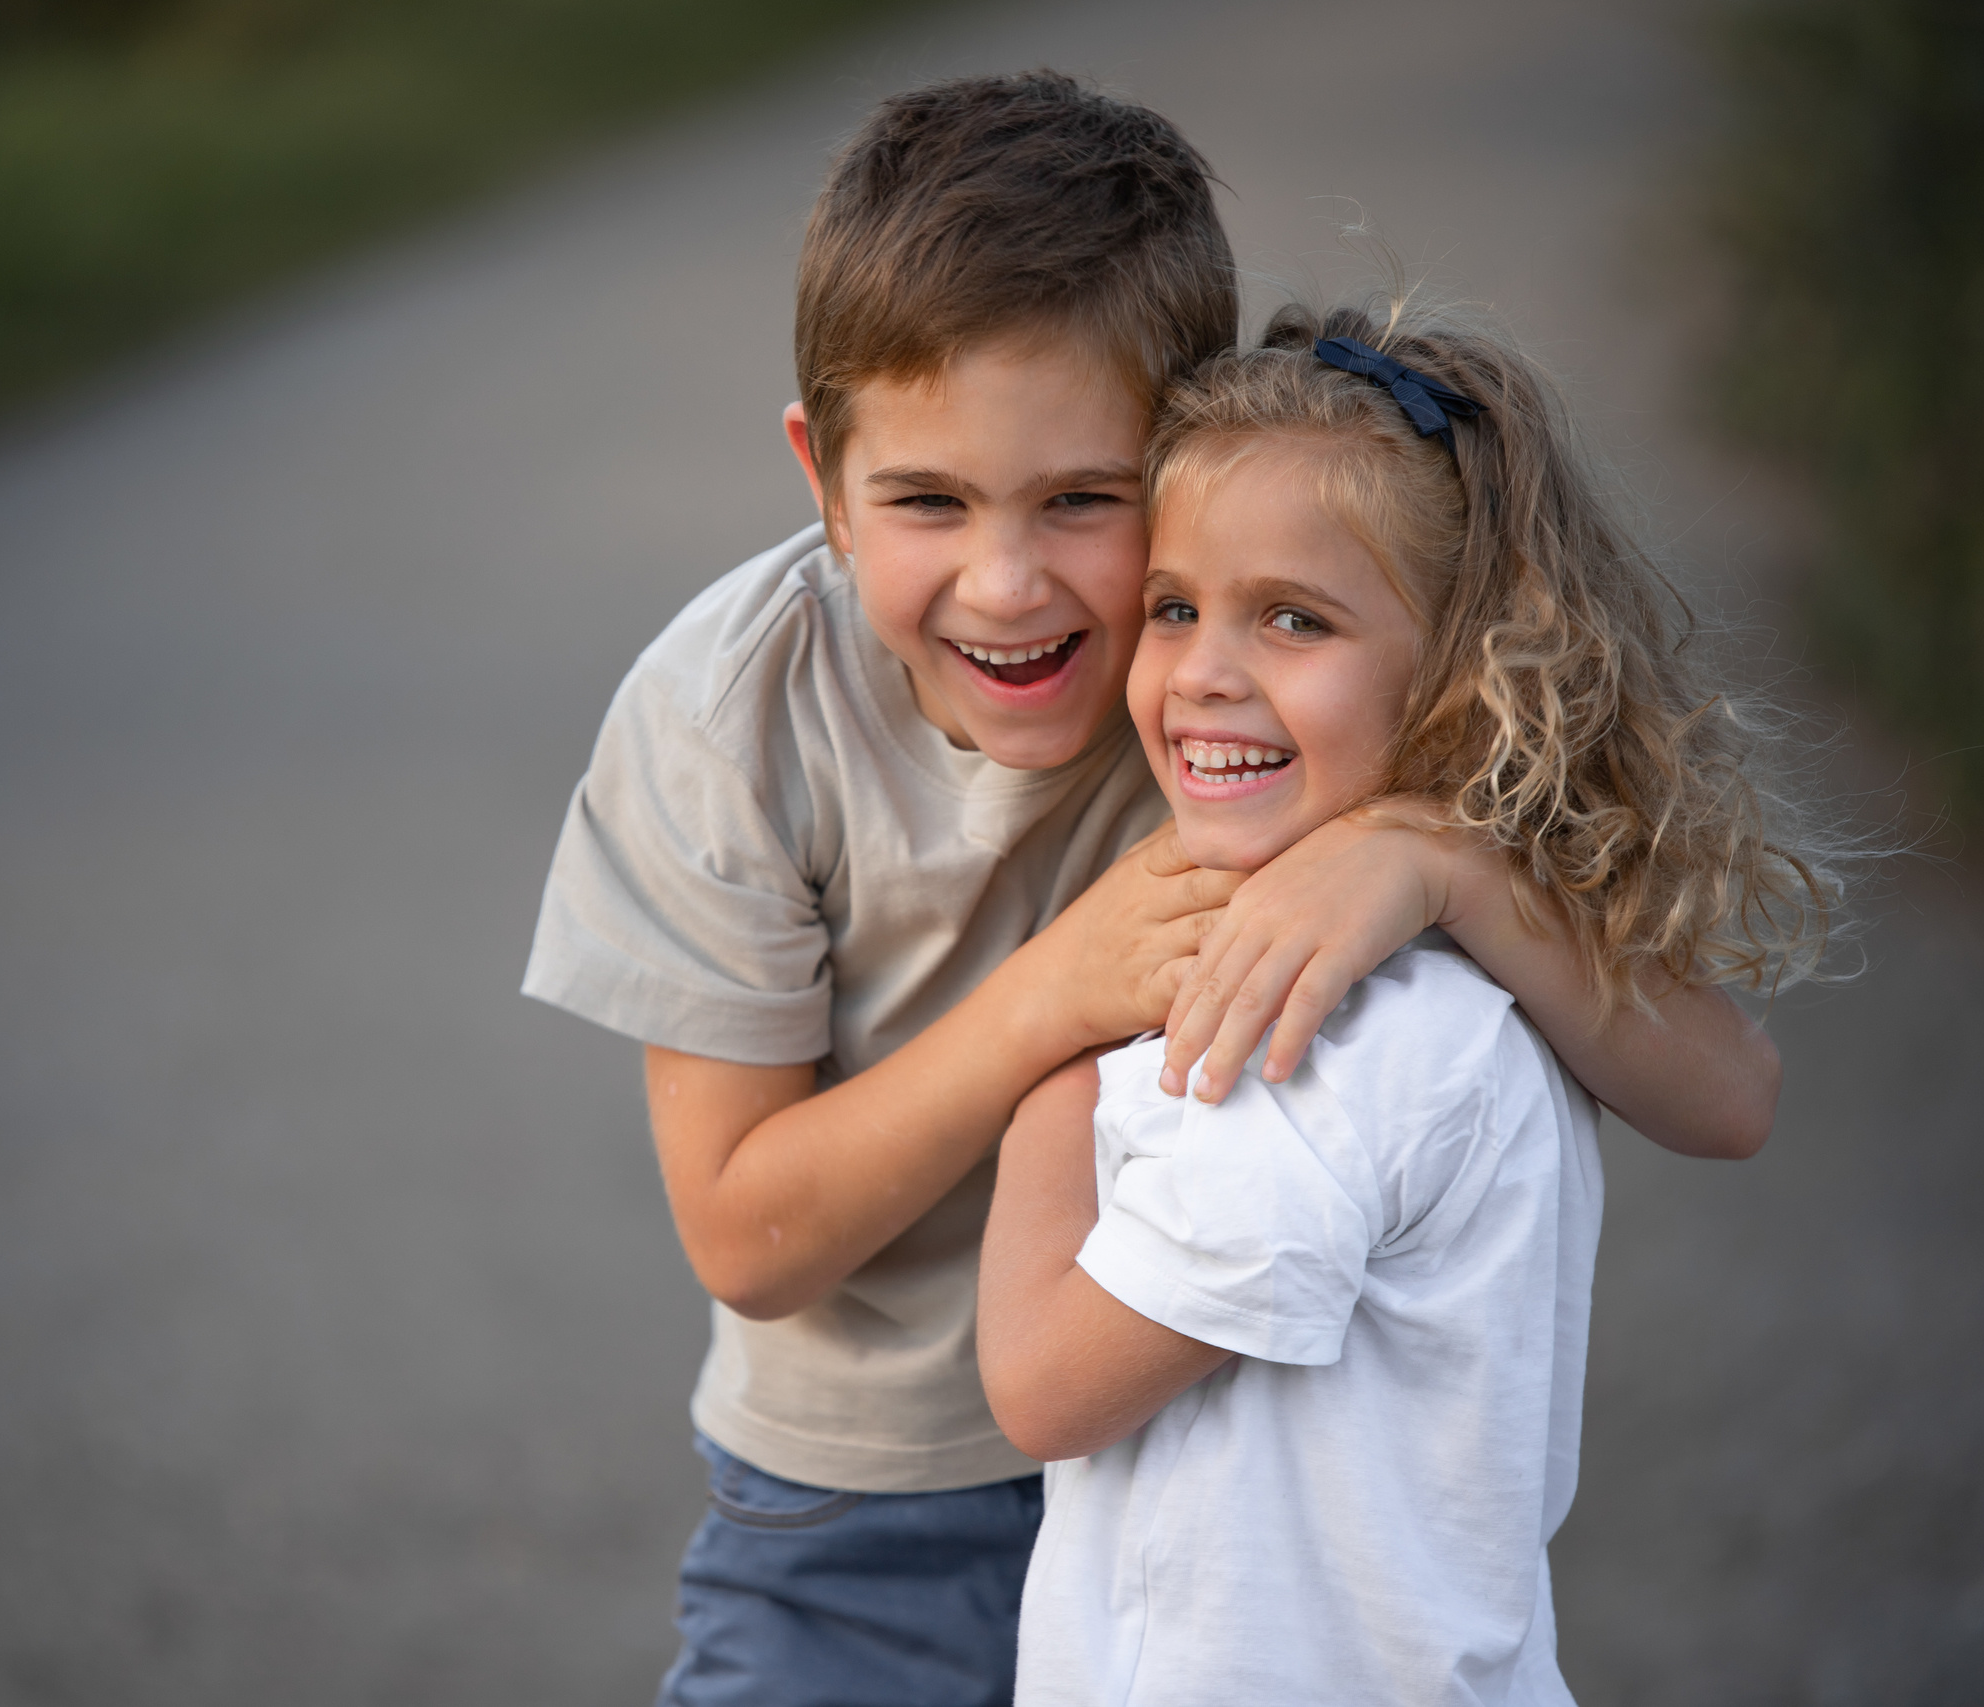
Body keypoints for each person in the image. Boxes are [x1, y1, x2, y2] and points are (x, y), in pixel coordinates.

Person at [523, 73, 1783, 1707]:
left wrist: (1441, 860)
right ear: (823, 478)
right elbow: (747, 1236)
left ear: (1192, 452)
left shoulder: (1266, 688)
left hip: (1200, 1483)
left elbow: (1728, 1090)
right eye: (924, 500)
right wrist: (1055, 998)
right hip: (860, 1512)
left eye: (1085, 502)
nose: (1009, 581)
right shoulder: (729, 718)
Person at [979, 301, 1847, 1705]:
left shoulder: (1324, 1039)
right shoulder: (1460, 961)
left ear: (1459, 670)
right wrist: (1446, 861)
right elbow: (1735, 1094)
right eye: (1175, 606)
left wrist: (1053, 1072)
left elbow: (1042, 1387)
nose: (1203, 667)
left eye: (1295, 618)